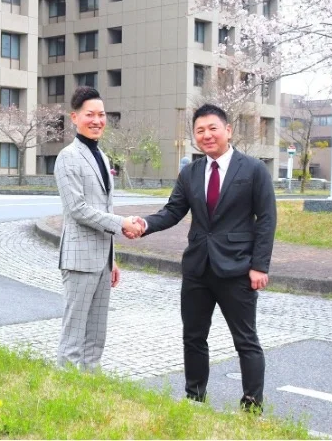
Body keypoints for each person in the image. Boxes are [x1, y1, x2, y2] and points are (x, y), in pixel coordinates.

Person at [128, 103, 276, 412]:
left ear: (228, 130)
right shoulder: (190, 173)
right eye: (199, 130)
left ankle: (252, 405)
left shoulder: (253, 170)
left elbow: (266, 219)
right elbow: (172, 211)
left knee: (245, 339)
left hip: (238, 268)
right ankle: (195, 398)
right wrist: (145, 225)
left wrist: (259, 266)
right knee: (194, 337)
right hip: (197, 268)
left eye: (212, 128)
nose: (206, 135)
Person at [53, 86, 143, 371]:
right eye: (90, 114)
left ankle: (91, 385)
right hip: (79, 260)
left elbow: (103, 206)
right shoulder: (68, 156)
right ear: (74, 118)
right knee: (74, 333)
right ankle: (66, 385)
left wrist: (111, 259)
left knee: (96, 334)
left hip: (102, 260)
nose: (97, 120)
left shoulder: (101, 157)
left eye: (101, 115)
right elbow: (77, 209)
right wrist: (121, 224)